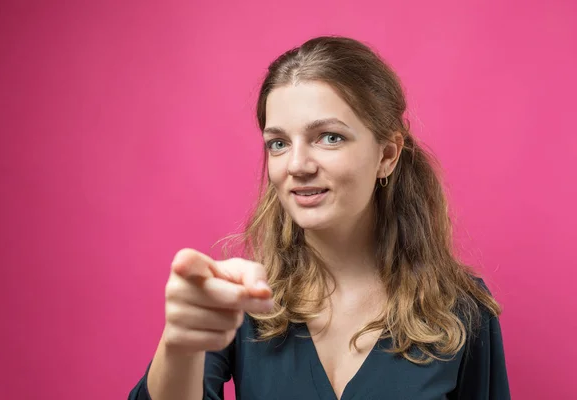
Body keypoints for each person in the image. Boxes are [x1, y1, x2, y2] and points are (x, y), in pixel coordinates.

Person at [128, 35, 510, 400]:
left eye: (329, 137)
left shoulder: (461, 308)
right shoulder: (239, 300)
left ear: (387, 155)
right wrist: (179, 343)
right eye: (278, 143)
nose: (296, 165)